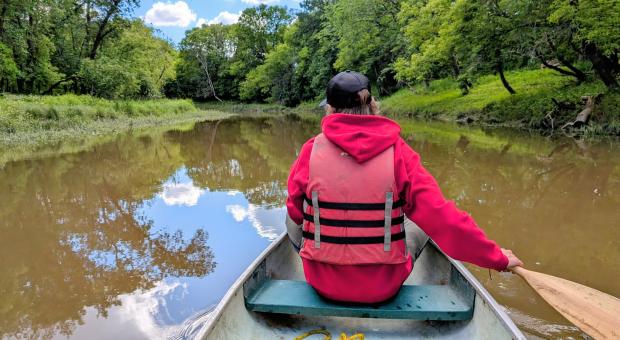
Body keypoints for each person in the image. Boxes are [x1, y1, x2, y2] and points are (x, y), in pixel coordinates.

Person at [285, 71, 523, 303]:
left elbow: (296, 212)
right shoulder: (399, 152)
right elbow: (445, 219)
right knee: (422, 221)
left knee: (290, 217)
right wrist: (497, 258)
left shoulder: (310, 150)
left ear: (331, 109)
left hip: (323, 284)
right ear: (373, 105)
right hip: (383, 288)